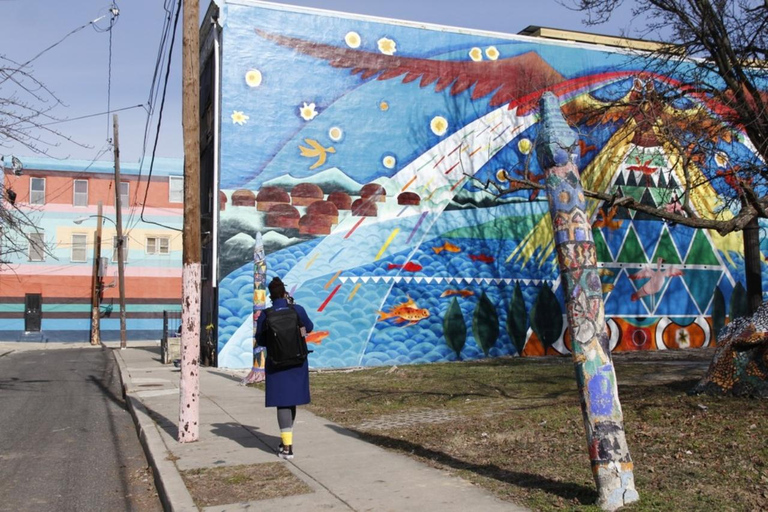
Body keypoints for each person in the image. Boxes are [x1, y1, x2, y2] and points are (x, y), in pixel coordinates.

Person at [255, 277, 313, 460]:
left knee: (283, 402)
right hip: (297, 362)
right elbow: (309, 328)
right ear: (284, 293)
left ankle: (287, 446)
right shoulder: (297, 310)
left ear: (271, 295)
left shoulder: (266, 314)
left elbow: (261, 340)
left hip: (276, 362)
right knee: (291, 400)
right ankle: (286, 442)